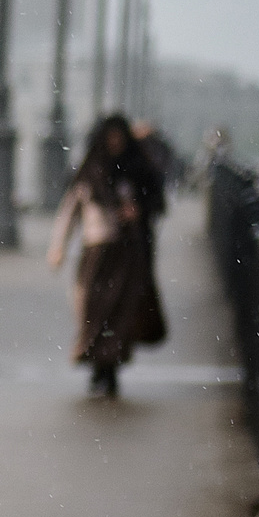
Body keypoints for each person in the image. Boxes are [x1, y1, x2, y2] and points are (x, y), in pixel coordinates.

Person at [46, 113, 169, 397]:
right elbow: (70, 211)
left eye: (119, 137)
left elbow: (155, 202)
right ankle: (95, 363)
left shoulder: (137, 169)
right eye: (110, 137)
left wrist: (137, 210)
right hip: (96, 252)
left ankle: (109, 368)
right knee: (92, 309)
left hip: (128, 254)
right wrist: (58, 248)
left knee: (120, 313)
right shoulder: (91, 172)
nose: (115, 143)